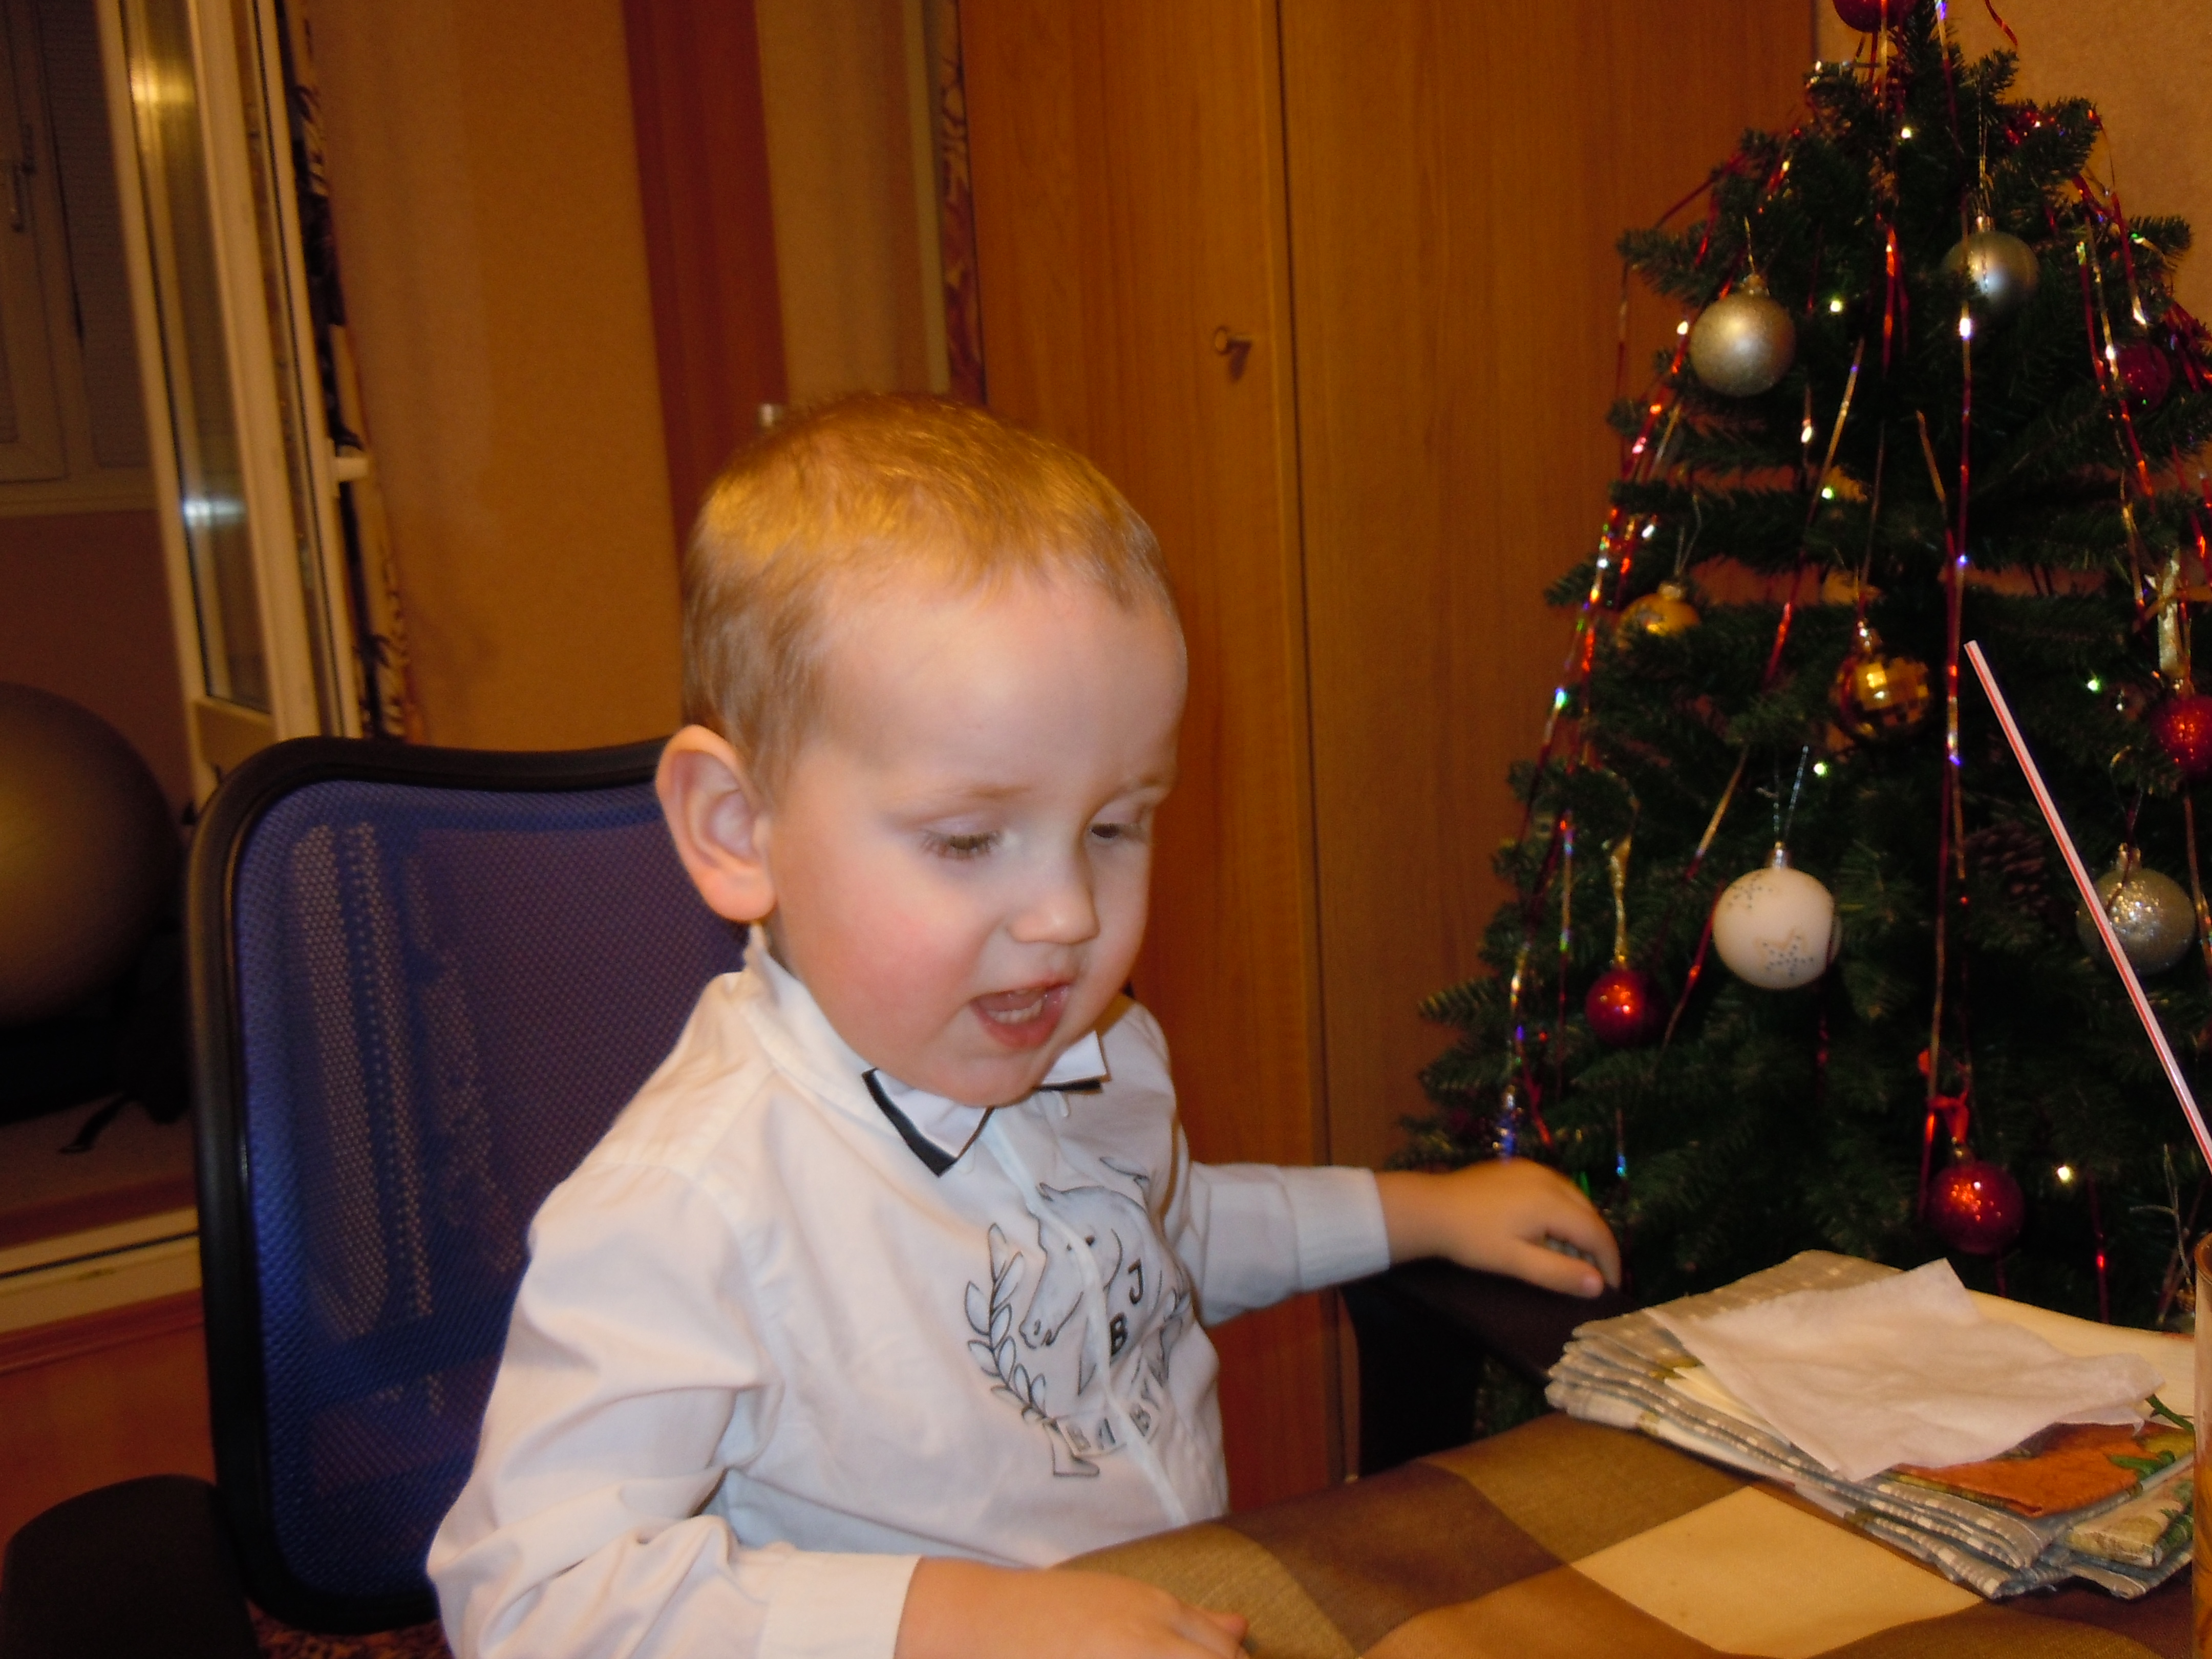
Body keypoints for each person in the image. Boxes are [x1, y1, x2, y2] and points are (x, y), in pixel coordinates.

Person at [429, 396, 1619, 1659]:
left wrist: (1414, 1212)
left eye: (1114, 827)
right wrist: (954, 1619)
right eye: (967, 841)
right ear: (738, 831)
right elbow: (528, 1600)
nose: (1067, 917)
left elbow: (1160, 1239)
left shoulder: (1086, 1045)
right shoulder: (694, 1206)